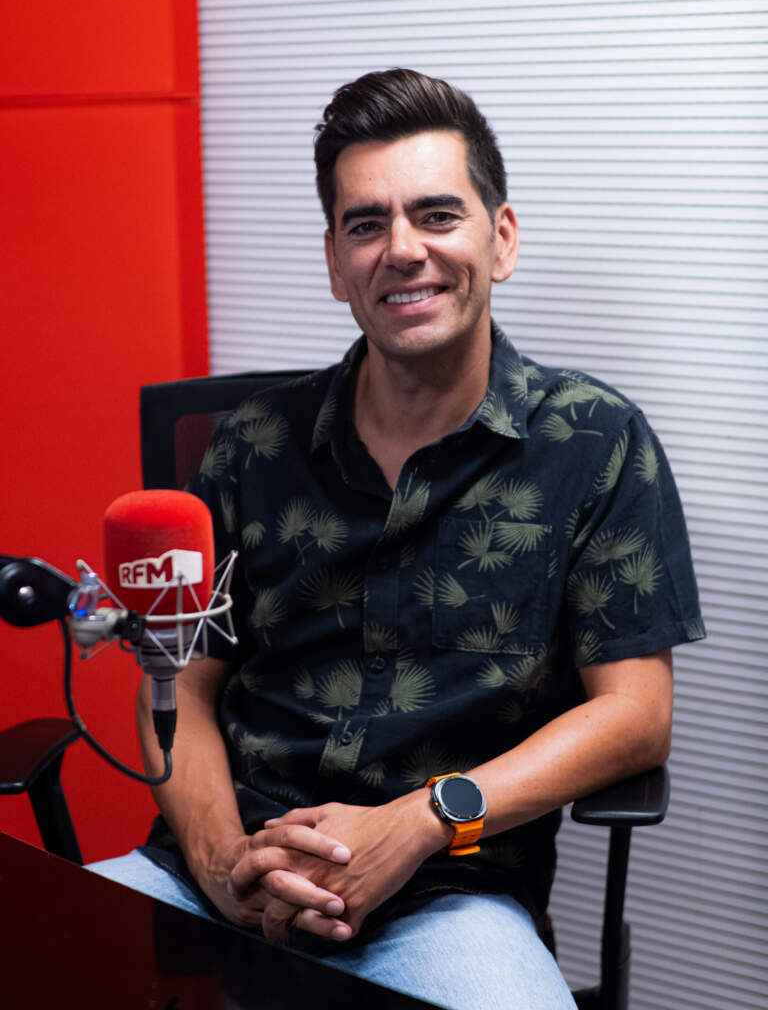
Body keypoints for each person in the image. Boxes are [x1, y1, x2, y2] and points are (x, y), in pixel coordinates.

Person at [90, 69, 705, 1009]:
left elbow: (635, 716)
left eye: (437, 215)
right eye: (366, 225)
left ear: (501, 239)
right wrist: (223, 867)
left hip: (447, 891)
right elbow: (177, 690)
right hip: (224, 874)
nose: (403, 250)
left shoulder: (595, 442)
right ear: (336, 263)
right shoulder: (251, 446)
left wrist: (420, 822)